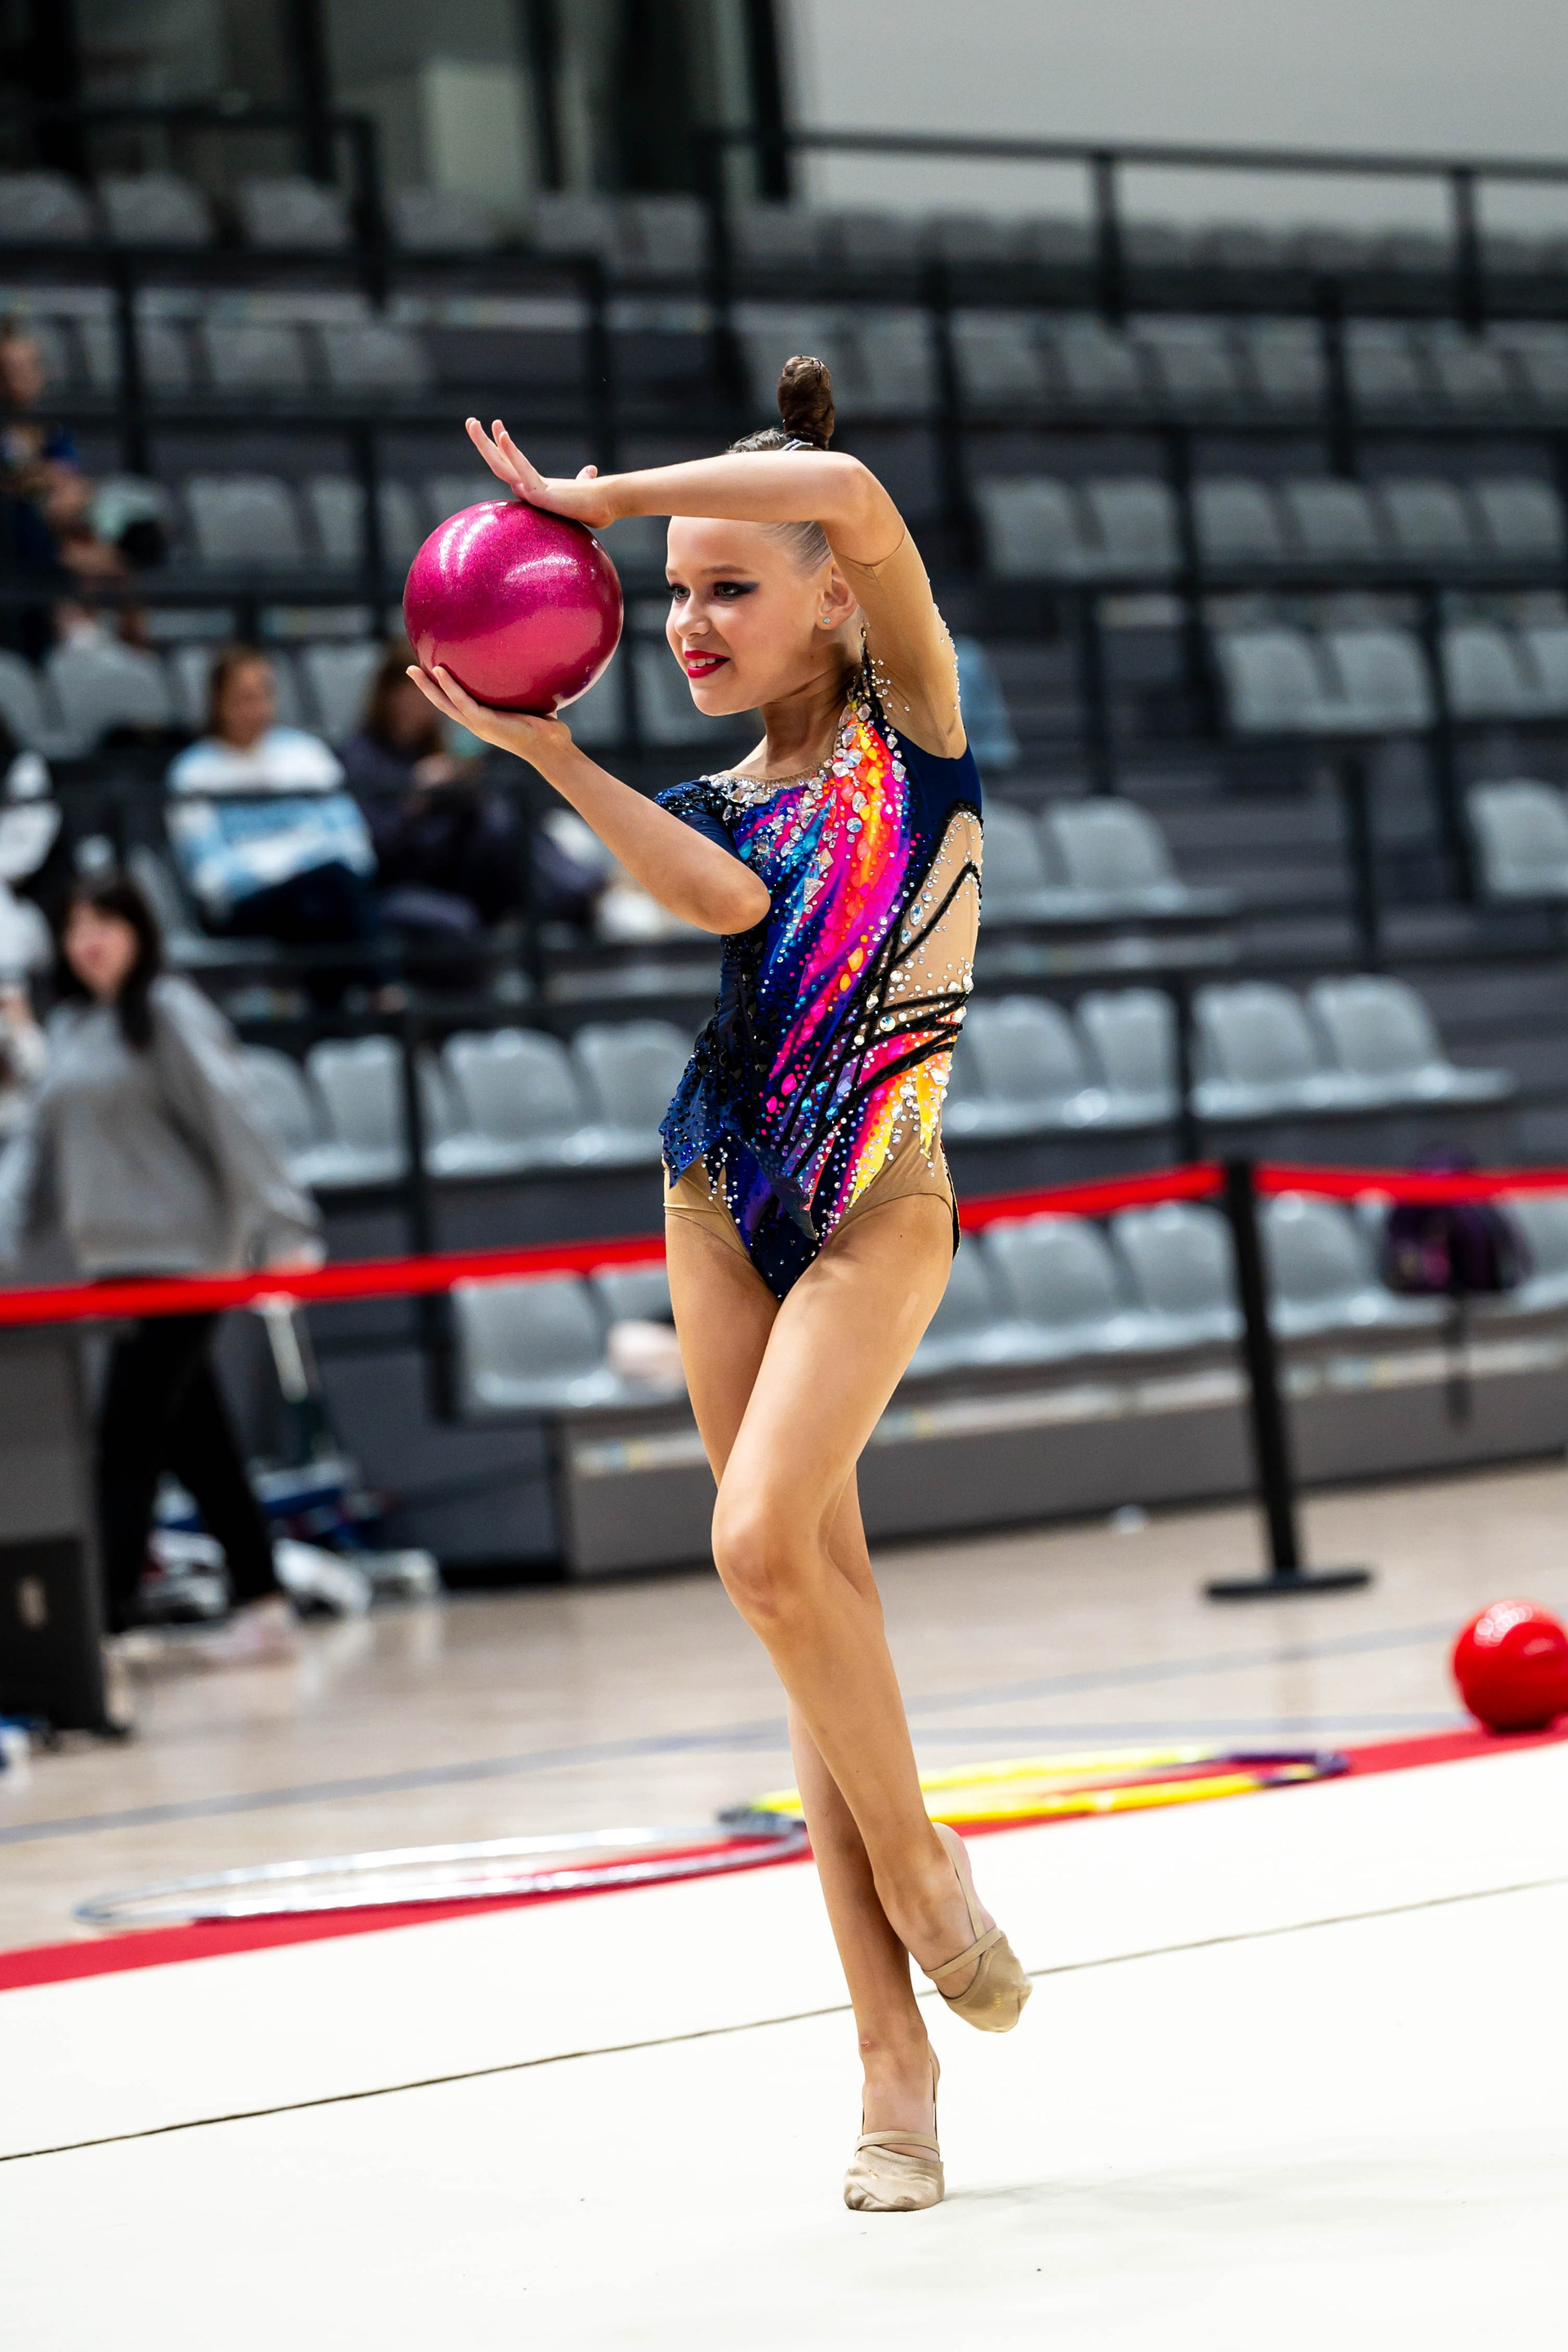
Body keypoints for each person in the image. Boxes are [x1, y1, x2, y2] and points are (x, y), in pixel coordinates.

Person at [409, 363, 1024, 2215]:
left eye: (726, 586)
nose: (685, 620)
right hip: (718, 1185)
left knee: (761, 1544)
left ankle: (925, 1872)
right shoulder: (714, 798)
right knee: (802, 1605)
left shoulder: (917, 719)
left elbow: (849, 482)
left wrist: (595, 501)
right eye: (671, 591)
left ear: (834, 595)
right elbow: (720, 904)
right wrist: (549, 754)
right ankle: (893, 2068)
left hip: (877, 1195)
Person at [0, 874, 325, 1664]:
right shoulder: (72, 1027)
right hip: (111, 1262)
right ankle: (264, 1600)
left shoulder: (170, 1013)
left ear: (140, 931)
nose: (90, 940)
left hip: (185, 1260)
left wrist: (283, 1224)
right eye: (77, 926)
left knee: (127, 1435)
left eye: (106, 922)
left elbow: (235, 1118)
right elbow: (36, 1151)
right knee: (196, 1439)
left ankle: (103, 1619)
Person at [165, 646, 379, 996]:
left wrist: (296, 871)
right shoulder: (193, 773)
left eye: (264, 694)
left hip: (319, 891)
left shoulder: (306, 754)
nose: (257, 708)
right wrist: (294, 869)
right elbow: (212, 877)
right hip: (246, 904)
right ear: (218, 701)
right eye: (244, 697)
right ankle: (382, 993)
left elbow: (354, 845)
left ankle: (332, 1013)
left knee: (317, 908)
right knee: (326, 895)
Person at [341, 642, 528, 962]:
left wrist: (464, 786)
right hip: (395, 884)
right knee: (458, 921)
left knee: (502, 822)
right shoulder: (358, 757)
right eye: (414, 692)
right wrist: (415, 797)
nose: (423, 704)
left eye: (432, 693)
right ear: (388, 693)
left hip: (453, 872)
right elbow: (371, 850)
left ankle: (576, 899)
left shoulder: (437, 748)